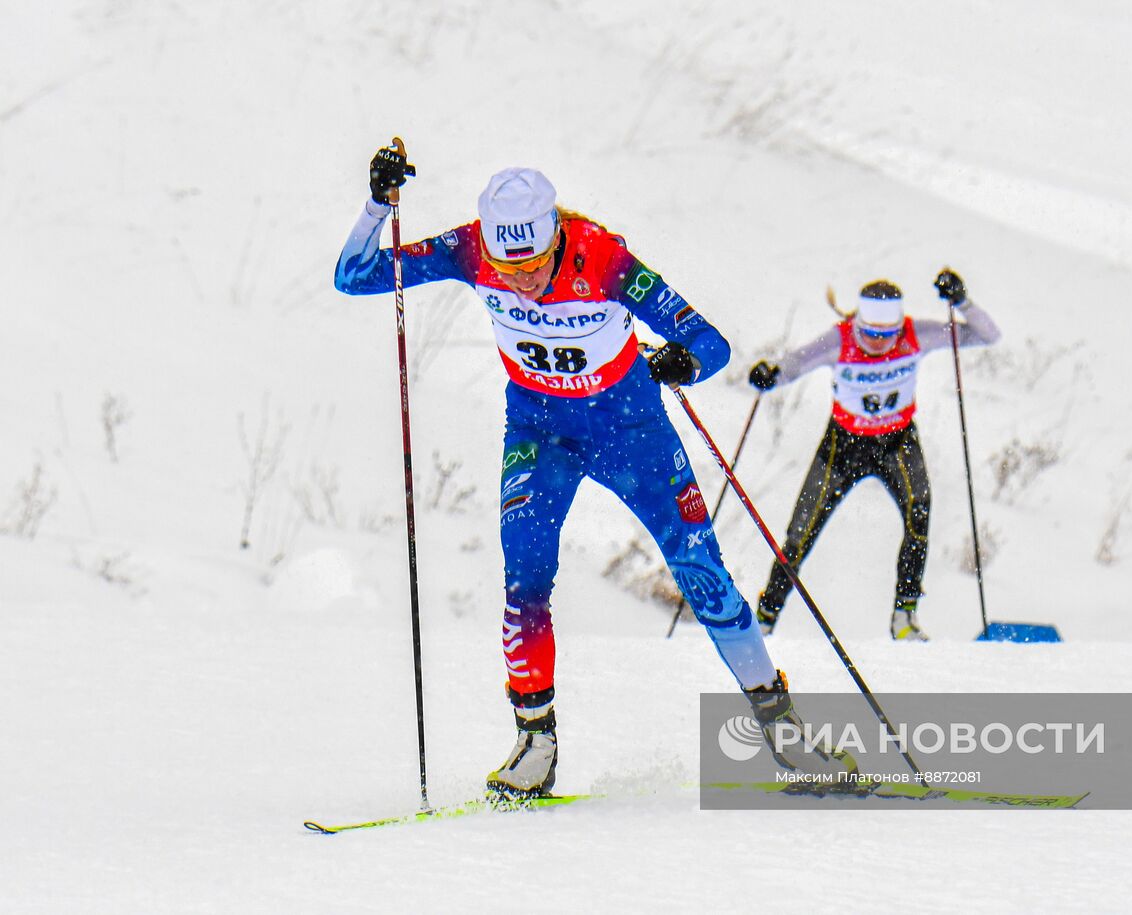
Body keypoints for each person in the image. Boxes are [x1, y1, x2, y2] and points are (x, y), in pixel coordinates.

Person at [334, 144, 853, 796]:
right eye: (504, 266)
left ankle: (784, 733)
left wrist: (675, 363)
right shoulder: (470, 250)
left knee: (703, 572)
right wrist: (379, 206)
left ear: (555, 238)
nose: (519, 279)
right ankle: (535, 743)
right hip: (540, 435)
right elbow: (353, 275)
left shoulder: (602, 258)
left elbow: (710, 343)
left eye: (533, 264)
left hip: (632, 434)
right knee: (524, 576)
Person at [747, 274, 1001, 641]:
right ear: (858, 324)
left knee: (919, 512)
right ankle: (765, 618)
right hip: (843, 445)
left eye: (887, 336)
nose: (878, 344)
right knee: (800, 532)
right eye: (870, 335)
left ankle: (904, 618)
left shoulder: (917, 335)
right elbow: (794, 365)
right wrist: (770, 375)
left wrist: (962, 302)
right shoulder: (840, 339)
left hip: (897, 441)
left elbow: (988, 336)